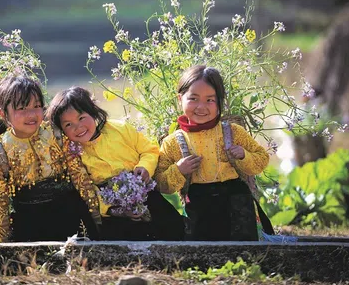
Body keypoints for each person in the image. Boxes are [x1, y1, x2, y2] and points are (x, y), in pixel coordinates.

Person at [47, 86, 184, 241]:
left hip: (144, 191)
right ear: (62, 130)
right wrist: (115, 210)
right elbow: (88, 191)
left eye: (81, 118)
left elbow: (149, 150)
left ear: (92, 111)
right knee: (122, 243)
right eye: (68, 125)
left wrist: (144, 167)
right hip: (113, 206)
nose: (78, 127)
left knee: (173, 228)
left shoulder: (119, 128)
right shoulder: (73, 155)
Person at [155, 65, 270, 241]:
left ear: (220, 102)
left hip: (236, 203)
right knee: (203, 251)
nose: (201, 107)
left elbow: (262, 159)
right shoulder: (172, 142)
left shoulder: (233, 132)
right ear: (180, 99)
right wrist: (179, 170)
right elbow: (162, 184)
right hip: (200, 205)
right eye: (193, 98)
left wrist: (243, 155)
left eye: (210, 100)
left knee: (244, 251)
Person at [0, 75, 100, 242]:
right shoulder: (0, 152)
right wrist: (0, 244)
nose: (31, 114)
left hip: (69, 214)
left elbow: (80, 177)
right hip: (30, 221)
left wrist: (96, 219)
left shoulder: (56, 134)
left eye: (37, 106)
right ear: (4, 114)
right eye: (22, 108)